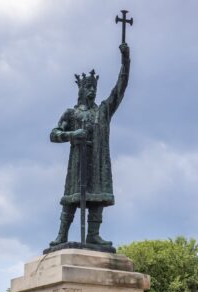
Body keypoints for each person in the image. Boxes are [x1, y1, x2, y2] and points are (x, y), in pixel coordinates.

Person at [49, 43, 130, 247]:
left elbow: (120, 88)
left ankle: (93, 234)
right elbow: (53, 134)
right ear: (81, 90)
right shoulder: (71, 113)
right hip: (78, 163)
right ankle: (62, 235)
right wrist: (72, 134)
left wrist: (125, 61)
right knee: (71, 197)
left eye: (94, 87)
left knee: (97, 196)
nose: (92, 90)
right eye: (89, 87)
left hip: (97, 162)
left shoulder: (103, 111)